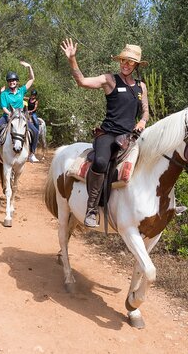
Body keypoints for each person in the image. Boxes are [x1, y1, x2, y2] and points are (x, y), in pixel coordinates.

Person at [60, 38, 150, 227]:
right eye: (123, 60)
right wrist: (72, 59)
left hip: (130, 136)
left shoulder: (141, 87)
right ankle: (91, 209)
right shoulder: (109, 80)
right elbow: (82, 81)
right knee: (101, 161)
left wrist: (142, 121)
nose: (126, 65)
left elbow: (146, 111)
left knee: (155, 157)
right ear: (120, 61)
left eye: (130, 62)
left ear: (136, 65)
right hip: (108, 134)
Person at [0, 62, 40, 163]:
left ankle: (32, 153)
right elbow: (3, 107)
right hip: (8, 116)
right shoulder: (4, 94)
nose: (12, 82)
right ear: (8, 83)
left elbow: (32, 79)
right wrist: (9, 113)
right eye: (10, 81)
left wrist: (29, 67)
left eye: (14, 80)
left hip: (21, 117)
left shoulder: (21, 91)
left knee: (36, 131)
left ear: (17, 82)